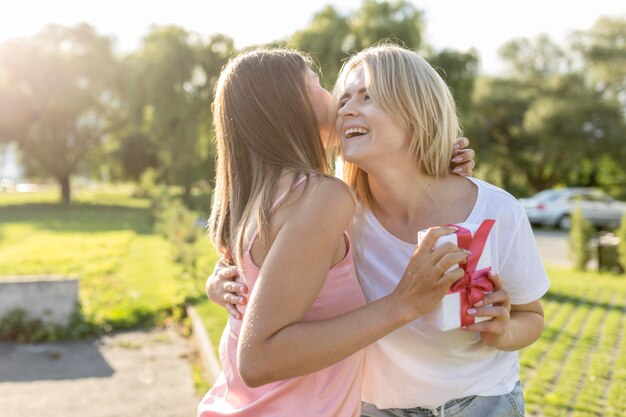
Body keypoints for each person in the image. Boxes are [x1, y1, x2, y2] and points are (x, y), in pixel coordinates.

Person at [209, 44, 550, 417]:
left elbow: (530, 316)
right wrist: (221, 283)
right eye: (340, 98)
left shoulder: (496, 209)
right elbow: (267, 284)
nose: (345, 107)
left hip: (485, 403)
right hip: (375, 409)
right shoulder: (337, 213)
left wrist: (502, 332)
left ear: (416, 110)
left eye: (367, 96)